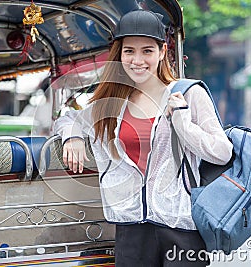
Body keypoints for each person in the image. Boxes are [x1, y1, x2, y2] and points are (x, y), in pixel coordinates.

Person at [53, 9, 233, 267]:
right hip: (131, 229)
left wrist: (181, 120)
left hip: (181, 228)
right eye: (129, 51)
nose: (138, 60)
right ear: (119, 55)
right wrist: (73, 137)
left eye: (147, 50)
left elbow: (221, 151)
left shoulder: (189, 93)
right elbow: (68, 118)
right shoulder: (112, 104)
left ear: (162, 52)